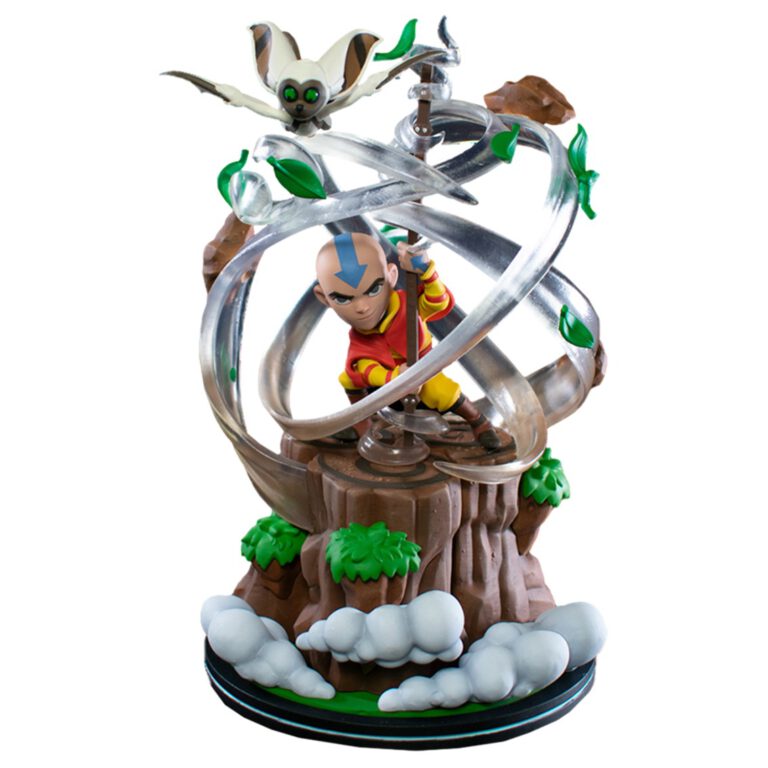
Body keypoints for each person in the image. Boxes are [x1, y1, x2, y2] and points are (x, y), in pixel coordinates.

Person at [313, 232, 500, 450]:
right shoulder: (360, 339)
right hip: (386, 381)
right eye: (342, 298)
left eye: (374, 289)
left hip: (421, 370)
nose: (362, 307)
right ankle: (362, 425)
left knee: (441, 391)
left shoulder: (408, 305)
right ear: (323, 297)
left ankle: (479, 422)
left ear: (391, 276)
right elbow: (363, 369)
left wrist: (427, 272)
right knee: (348, 379)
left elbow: (438, 302)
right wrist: (396, 378)